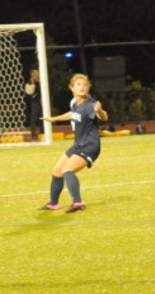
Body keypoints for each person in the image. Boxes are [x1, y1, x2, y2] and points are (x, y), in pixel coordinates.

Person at [38, 73, 108, 213]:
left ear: (88, 87)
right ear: (72, 88)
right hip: (77, 145)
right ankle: (53, 204)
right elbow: (73, 114)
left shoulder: (91, 105)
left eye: (85, 85)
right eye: (79, 84)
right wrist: (54, 119)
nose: (82, 87)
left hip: (89, 146)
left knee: (67, 170)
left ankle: (78, 203)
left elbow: (104, 117)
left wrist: (99, 110)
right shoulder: (75, 103)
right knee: (57, 171)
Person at [25, 69, 42, 141]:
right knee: (33, 120)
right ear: (32, 75)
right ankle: (34, 136)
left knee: (42, 118)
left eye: (37, 75)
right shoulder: (29, 83)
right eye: (35, 75)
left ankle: (43, 133)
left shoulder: (40, 82)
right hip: (33, 103)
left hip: (40, 102)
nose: (37, 76)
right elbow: (29, 92)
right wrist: (33, 84)